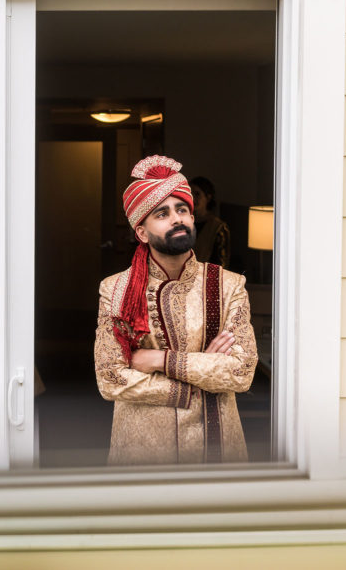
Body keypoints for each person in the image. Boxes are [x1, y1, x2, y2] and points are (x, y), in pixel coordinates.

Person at [94, 155, 257, 465]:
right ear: (142, 232)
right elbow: (111, 378)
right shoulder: (115, 290)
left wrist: (159, 359)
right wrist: (201, 374)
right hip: (142, 449)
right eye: (162, 213)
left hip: (217, 448)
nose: (177, 218)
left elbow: (240, 372)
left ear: (193, 218)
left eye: (182, 209)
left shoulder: (229, 285)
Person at [189, 176, 231, 268]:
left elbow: (221, 264)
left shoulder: (218, 227)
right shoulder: (183, 222)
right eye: (190, 193)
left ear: (208, 197)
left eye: (197, 194)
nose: (192, 198)